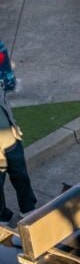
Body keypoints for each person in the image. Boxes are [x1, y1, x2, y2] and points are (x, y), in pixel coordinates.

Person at [0, 83, 37, 224]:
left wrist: (14, 126)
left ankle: (28, 207)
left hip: (10, 137)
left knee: (20, 173)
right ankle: (2, 217)